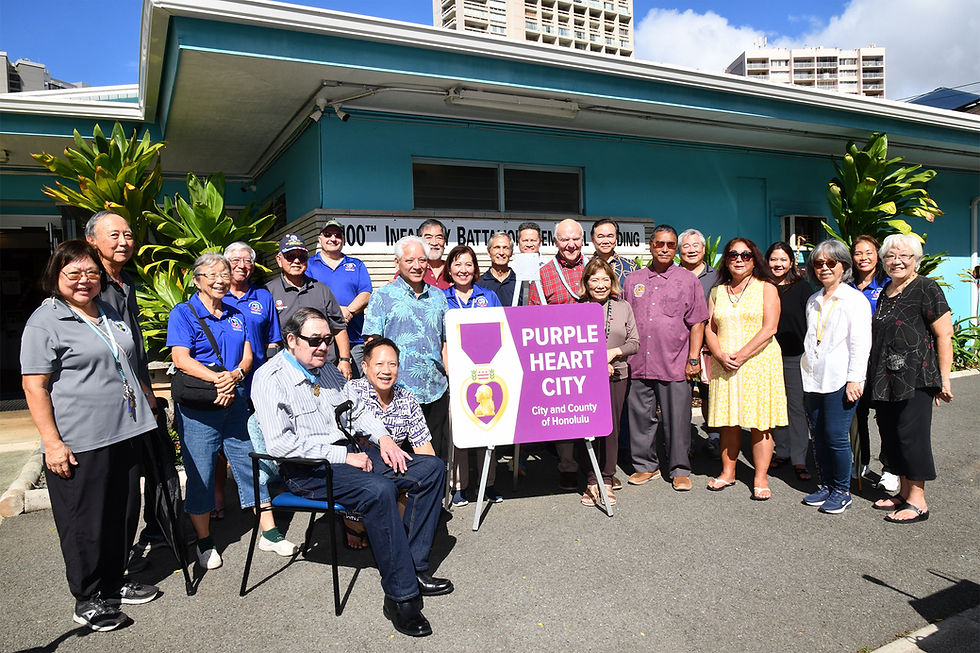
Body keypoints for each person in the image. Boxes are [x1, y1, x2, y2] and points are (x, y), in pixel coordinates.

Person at [252, 308, 450, 638]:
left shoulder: (327, 370)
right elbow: (280, 445)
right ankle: (401, 597)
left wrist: (384, 439)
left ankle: (412, 568)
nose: (323, 347)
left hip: (349, 455)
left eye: (327, 340)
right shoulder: (270, 379)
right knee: (379, 491)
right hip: (308, 469)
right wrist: (342, 455)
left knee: (431, 468)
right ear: (291, 340)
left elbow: (356, 412)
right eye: (314, 340)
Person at [21, 240, 159, 631]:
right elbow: (34, 386)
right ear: (56, 275)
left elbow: (126, 360)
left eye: (91, 273)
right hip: (81, 438)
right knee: (85, 522)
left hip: (125, 430)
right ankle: (88, 597)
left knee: (122, 512)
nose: (84, 280)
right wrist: (52, 443)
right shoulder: (45, 321)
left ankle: (114, 581)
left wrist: (148, 401)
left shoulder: (108, 311)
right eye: (74, 273)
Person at [168, 253, 297, 571]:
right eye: (212, 274)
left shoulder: (236, 313)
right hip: (200, 408)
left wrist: (236, 375)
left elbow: (248, 355)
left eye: (224, 274)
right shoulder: (183, 313)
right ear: (196, 280)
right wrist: (218, 380)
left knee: (252, 464)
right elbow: (181, 359)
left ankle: (269, 532)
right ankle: (204, 541)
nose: (220, 279)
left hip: (235, 401)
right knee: (201, 472)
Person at [84, 211, 163, 567]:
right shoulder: (90, 285)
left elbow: (133, 347)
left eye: (128, 235)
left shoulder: (126, 281)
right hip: (108, 403)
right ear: (91, 240)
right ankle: (111, 567)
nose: (123, 241)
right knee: (114, 488)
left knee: (135, 482)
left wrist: (146, 390)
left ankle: (141, 544)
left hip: (136, 397)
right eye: (113, 235)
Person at [866, 234, 953, 524]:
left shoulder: (926, 288)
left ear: (916, 260)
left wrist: (944, 379)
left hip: (917, 377)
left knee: (911, 436)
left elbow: (944, 335)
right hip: (886, 378)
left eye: (904, 256)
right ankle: (903, 493)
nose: (897, 261)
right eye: (890, 256)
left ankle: (918, 501)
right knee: (892, 436)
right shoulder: (887, 291)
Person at [623, 225, 708, 492]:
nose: (664, 249)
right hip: (639, 362)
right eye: (659, 244)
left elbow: (697, 322)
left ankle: (680, 469)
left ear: (675, 249)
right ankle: (645, 466)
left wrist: (693, 359)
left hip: (674, 362)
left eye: (670, 245)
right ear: (651, 246)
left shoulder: (688, 280)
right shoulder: (633, 280)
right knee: (640, 419)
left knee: (678, 421)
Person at [704, 238, 787, 500]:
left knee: (761, 423)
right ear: (726, 260)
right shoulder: (717, 292)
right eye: (733, 255)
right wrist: (719, 354)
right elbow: (709, 328)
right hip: (725, 363)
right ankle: (728, 472)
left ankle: (760, 477)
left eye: (746, 255)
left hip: (758, 362)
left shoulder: (766, 288)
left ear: (754, 259)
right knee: (729, 421)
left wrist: (741, 355)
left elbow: (770, 328)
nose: (739, 259)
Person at [798, 241, 873, 515]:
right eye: (819, 263)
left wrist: (856, 379)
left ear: (844, 266)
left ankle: (842, 490)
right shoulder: (813, 300)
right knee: (818, 435)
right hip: (813, 377)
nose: (825, 268)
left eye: (831, 263)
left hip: (840, 378)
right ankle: (827, 485)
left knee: (836, 435)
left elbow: (860, 343)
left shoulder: (854, 300)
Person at [345, 337, 438, 548]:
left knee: (430, 474)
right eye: (379, 364)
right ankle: (353, 520)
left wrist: (429, 477)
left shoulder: (408, 400)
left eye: (392, 364)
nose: (386, 371)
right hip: (359, 470)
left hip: (392, 469)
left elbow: (425, 450)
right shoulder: (351, 392)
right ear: (364, 366)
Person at [363, 236, 451, 457]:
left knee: (434, 459)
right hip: (397, 393)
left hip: (435, 391)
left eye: (422, 260)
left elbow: (445, 343)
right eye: (410, 260)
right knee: (399, 461)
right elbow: (372, 344)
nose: (417, 266)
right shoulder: (382, 297)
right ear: (397, 262)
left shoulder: (438, 297)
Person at [527, 218, 587, 491]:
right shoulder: (542, 274)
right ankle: (568, 466)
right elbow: (532, 316)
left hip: (591, 354)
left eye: (575, 238)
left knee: (594, 412)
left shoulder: (596, 268)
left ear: (583, 240)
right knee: (565, 416)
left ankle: (599, 470)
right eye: (564, 239)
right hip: (559, 358)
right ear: (555, 242)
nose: (571, 244)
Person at [442, 245, 504, 506]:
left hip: (486, 372)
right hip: (455, 373)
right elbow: (440, 339)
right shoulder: (440, 298)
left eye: (468, 264)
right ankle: (458, 486)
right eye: (457, 264)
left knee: (487, 428)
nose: (463, 269)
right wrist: (449, 369)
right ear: (449, 269)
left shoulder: (488, 296)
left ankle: (488, 483)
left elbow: (502, 331)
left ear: (475, 269)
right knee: (458, 432)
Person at [577, 258, 638, 505]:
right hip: (585, 378)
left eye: (605, 279)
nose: (600, 285)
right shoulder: (577, 308)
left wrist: (612, 354)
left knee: (611, 429)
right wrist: (597, 363)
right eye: (594, 280)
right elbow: (572, 345)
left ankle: (607, 478)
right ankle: (592, 480)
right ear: (586, 283)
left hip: (618, 375)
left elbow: (634, 342)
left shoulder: (623, 307)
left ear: (612, 281)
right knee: (588, 429)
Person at [265, 233, 353, 380]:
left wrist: (345, 360)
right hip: (287, 370)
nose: (296, 261)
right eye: (290, 256)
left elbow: (339, 327)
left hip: (323, 367)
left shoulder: (322, 290)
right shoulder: (268, 292)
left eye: (302, 256)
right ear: (279, 260)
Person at [849, 235, 897, 492]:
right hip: (855, 360)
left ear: (877, 255)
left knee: (885, 416)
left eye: (869, 252)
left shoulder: (888, 284)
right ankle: (861, 460)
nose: (863, 257)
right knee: (857, 413)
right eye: (858, 253)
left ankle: (890, 467)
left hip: (882, 360)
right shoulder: (847, 285)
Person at [765, 241, 813, 481]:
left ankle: (799, 457)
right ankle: (782, 451)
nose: (778, 264)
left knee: (796, 407)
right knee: (775, 406)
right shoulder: (762, 287)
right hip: (767, 357)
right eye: (774, 259)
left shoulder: (802, 287)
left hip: (795, 356)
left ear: (791, 262)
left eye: (783, 259)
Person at [306, 220, 373, 372]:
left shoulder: (356, 265)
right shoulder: (309, 265)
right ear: (320, 238)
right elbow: (308, 295)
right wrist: (336, 313)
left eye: (337, 235)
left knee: (354, 383)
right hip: (320, 342)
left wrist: (348, 312)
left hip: (354, 339)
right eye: (327, 234)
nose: (333, 238)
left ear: (343, 239)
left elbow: (366, 294)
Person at [678, 228, 720, 458]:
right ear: (679, 251)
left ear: (704, 250)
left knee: (708, 393)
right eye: (686, 246)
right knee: (681, 395)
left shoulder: (717, 277)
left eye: (696, 245)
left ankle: (714, 436)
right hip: (679, 345)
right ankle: (684, 440)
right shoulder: (672, 274)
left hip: (709, 346)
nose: (692, 250)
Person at [590, 218, 638, 286]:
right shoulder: (585, 266)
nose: (605, 241)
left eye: (610, 236)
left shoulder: (631, 267)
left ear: (616, 238)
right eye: (601, 237)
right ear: (592, 239)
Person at [479, 231, 521, 306]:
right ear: (488, 252)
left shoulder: (520, 283)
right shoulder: (478, 284)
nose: (501, 252)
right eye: (497, 247)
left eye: (505, 248)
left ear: (511, 252)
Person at [418, 218, 452, 290]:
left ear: (444, 241)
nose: (434, 243)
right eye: (428, 237)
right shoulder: (411, 270)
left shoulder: (453, 269)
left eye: (439, 238)